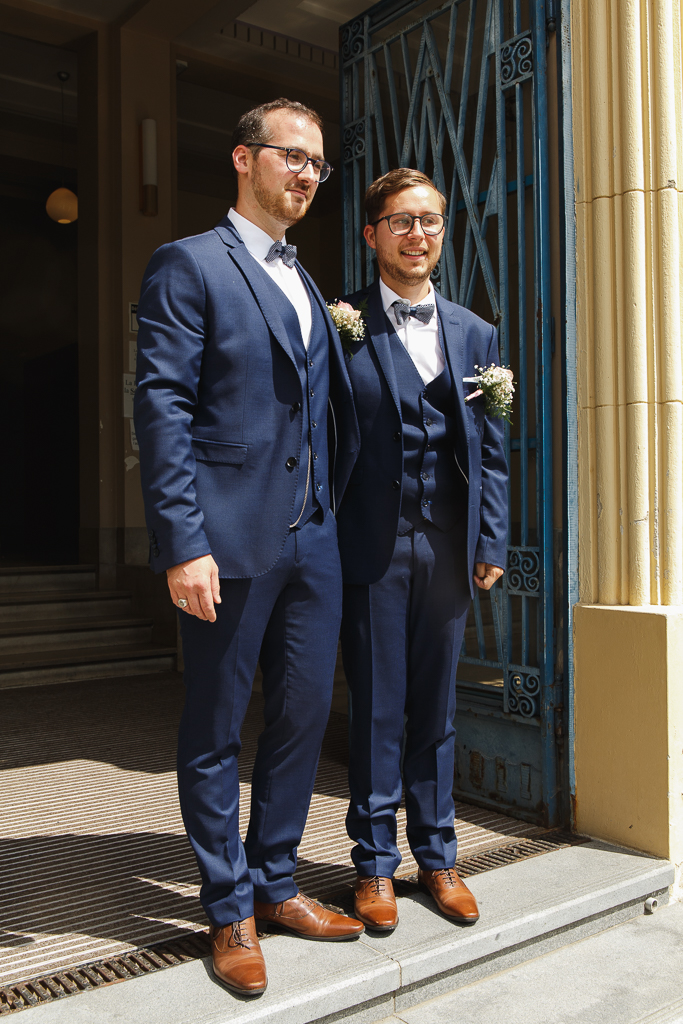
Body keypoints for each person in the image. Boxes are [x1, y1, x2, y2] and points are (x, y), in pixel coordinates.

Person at [134, 98, 363, 999]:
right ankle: (226, 907)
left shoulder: (307, 280)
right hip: (224, 542)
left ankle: (275, 883)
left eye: (318, 164)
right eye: (291, 157)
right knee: (215, 730)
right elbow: (163, 409)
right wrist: (182, 542)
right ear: (242, 159)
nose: (307, 173)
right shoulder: (188, 265)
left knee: (304, 716)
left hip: (314, 542)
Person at [336, 168, 508, 932]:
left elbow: (493, 450)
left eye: (430, 220)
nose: (417, 234)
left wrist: (491, 535)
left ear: (443, 232)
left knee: (436, 710)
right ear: (372, 233)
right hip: (370, 545)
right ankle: (373, 867)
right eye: (401, 221)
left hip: (447, 545)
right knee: (376, 707)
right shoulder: (339, 321)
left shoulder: (475, 333)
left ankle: (437, 857)